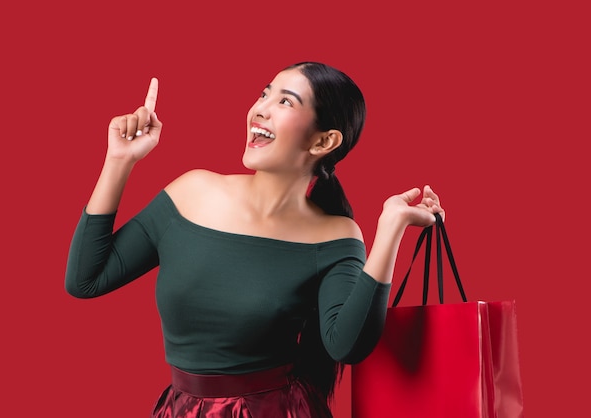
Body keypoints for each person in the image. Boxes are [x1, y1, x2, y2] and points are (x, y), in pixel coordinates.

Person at [65, 62, 445, 417]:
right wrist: (119, 161)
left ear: (323, 141)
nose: (260, 108)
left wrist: (390, 230)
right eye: (264, 94)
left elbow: (346, 345)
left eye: (284, 101)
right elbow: (86, 279)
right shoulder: (191, 192)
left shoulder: (335, 235)